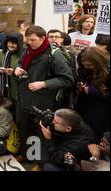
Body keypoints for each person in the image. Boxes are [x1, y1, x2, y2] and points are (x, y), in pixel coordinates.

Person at [14, 25, 74, 160]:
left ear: (42, 38)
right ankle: (26, 154)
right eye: (27, 40)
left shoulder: (55, 54)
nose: (29, 43)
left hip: (43, 102)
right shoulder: (28, 50)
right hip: (24, 99)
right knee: (23, 128)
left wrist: (44, 84)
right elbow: (21, 63)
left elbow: (67, 80)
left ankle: (39, 160)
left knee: (40, 132)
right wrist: (17, 69)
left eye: (33, 40)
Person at [75, 47, 110, 139]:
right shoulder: (84, 70)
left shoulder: (107, 72)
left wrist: (92, 91)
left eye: (90, 65)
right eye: (84, 65)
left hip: (103, 111)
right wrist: (80, 87)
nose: (87, 67)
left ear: (98, 62)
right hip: (85, 107)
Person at [0, 32, 24, 112]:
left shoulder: (24, 55)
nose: (10, 45)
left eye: (14, 43)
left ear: (19, 44)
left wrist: (14, 72)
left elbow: (27, 72)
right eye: (9, 42)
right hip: (2, 93)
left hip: (17, 94)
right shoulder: (1, 54)